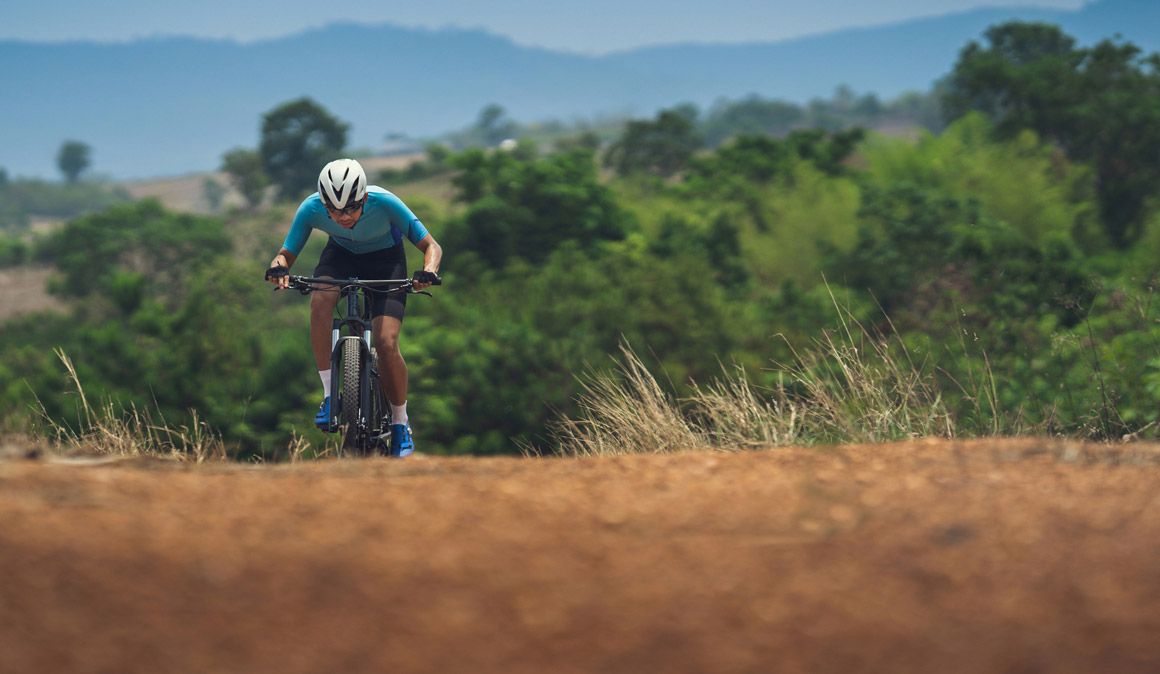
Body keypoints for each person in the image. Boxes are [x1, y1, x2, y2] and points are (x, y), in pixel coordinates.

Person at [265, 158, 442, 457]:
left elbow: (431, 247)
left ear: (364, 197)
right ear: (323, 204)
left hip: (386, 261)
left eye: (350, 208)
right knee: (320, 299)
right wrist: (278, 268)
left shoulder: (385, 202)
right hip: (341, 256)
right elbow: (285, 254)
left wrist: (429, 271)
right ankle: (329, 394)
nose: (342, 216)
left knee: (386, 342)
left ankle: (400, 424)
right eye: (333, 210)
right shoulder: (310, 208)